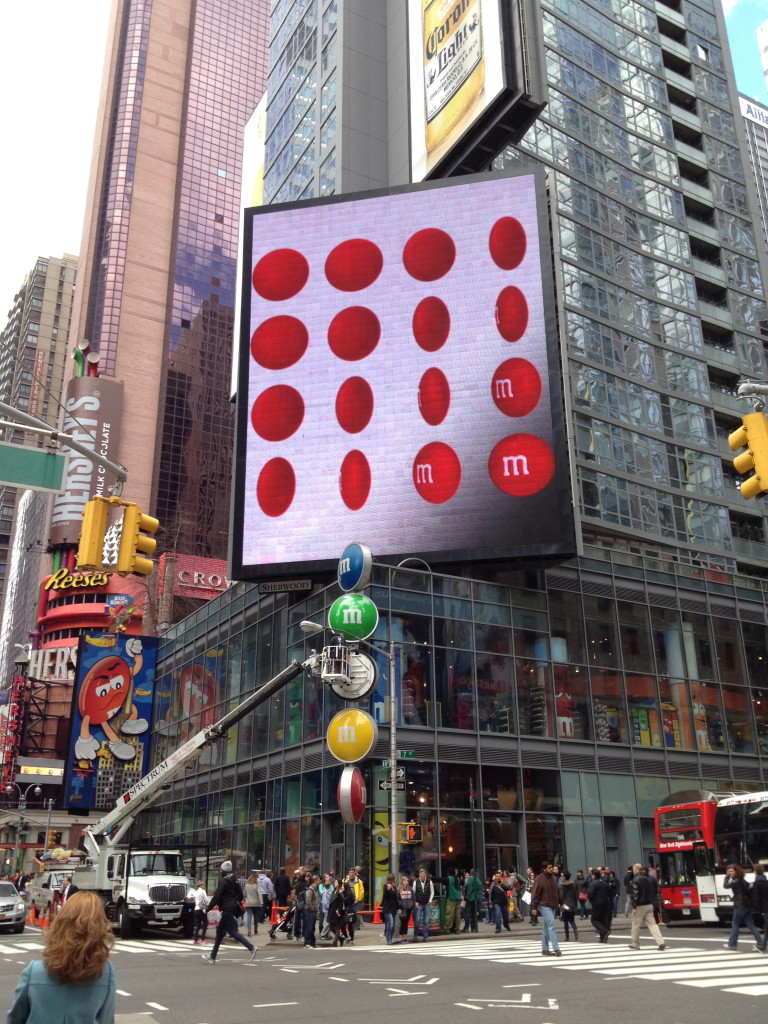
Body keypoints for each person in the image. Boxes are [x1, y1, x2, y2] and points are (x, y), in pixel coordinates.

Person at [6, 890, 115, 1024]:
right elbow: (106, 1019)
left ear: (61, 922)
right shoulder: (104, 972)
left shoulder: (34, 971)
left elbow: (16, 1018)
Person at [201, 860, 257, 964]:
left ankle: (251, 947)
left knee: (232, 931)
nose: (220, 871)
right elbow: (240, 895)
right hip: (232, 907)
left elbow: (217, 896)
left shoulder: (223, 880)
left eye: (220, 870)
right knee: (219, 932)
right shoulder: (234, 880)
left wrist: (207, 909)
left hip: (227, 908)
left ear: (223, 870)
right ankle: (212, 956)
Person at [723, 863, 766, 952]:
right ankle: (761, 943)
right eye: (728, 871)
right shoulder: (742, 880)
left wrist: (726, 876)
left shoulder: (736, 881)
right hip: (747, 905)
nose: (730, 873)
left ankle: (732, 944)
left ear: (736, 871)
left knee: (735, 924)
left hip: (740, 905)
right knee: (751, 925)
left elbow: (725, 885)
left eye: (731, 871)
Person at [627, 864, 665, 952]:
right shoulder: (648, 879)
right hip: (649, 904)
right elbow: (653, 891)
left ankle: (635, 944)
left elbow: (635, 894)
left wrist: (634, 906)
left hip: (640, 905)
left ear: (636, 870)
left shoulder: (636, 879)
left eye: (633, 869)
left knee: (636, 925)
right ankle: (660, 942)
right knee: (652, 924)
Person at [530, 862, 562, 956]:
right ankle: (556, 948)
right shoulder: (539, 879)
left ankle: (545, 949)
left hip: (552, 904)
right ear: (544, 869)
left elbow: (557, 891)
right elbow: (535, 894)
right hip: (544, 904)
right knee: (551, 924)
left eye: (551, 867)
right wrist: (534, 907)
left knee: (547, 927)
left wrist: (561, 902)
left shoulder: (552, 878)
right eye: (549, 868)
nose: (551, 869)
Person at [587, 868, 612, 943]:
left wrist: (592, 901)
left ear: (594, 876)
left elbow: (590, 894)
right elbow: (610, 892)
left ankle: (604, 931)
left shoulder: (593, 883)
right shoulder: (604, 883)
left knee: (594, 919)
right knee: (602, 919)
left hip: (597, 904)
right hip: (605, 903)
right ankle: (602, 938)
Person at [412, 868, 434, 942]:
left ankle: (425, 936)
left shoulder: (429, 881)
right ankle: (415, 935)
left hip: (426, 903)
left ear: (425, 874)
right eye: (421, 874)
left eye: (423, 873)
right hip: (419, 903)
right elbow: (413, 892)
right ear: (419, 874)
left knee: (426, 921)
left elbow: (432, 892)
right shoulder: (416, 881)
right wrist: (415, 902)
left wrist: (430, 900)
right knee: (417, 920)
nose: (422, 875)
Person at [751, 863, 768, 950]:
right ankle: (763, 946)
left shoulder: (757, 883)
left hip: (765, 908)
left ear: (755, 872)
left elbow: (756, 898)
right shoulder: (766, 881)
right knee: (766, 927)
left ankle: (762, 946)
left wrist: (756, 907)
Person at [559, 870, 579, 941]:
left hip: (565, 905)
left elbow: (561, 896)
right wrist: (575, 906)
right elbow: (575, 896)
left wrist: (561, 904)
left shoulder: (562, 886)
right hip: (572, 904)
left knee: (566, 921)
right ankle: (575, 929)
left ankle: (567, 937)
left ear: (564, 876)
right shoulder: (573, 885)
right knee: (572, 920)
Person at [380, 874, 400, 945]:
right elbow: (385, 895)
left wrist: (398, 908)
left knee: (393, 926)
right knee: (390, 924)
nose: (392, 881)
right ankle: (388, 939)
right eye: (391, 879)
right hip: (387, 908)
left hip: (393, 908)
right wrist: (388, 889)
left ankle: (390, 938)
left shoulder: (394, 887)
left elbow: (396, 898)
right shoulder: (385, 886)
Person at [444, 869, 463, 934]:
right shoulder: (458, 879)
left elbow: (440, 879)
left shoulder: (448, 879)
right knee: (458, 915)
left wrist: (432, 877)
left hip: (451, 898)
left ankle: (447, 929)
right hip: (458, 898)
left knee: (449, 914)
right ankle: (457, 929)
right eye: (456, 871)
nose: (457, 872)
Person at [303, 875, 319, 947]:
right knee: (309, 927)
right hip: (309, 911)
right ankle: (307, 943)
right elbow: (308, 900)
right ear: (315, 881)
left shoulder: (315, 889)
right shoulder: (310, 890)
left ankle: (312, 943)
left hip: (313, 910)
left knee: (312, 928)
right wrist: (312, 908)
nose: (319, 881)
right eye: (318, 880)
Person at [463, 868, 481, 932]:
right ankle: (473, 927)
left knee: (467, 913)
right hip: (476, 899)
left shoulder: (467, 879)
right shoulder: (478, 880)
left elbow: (463, 888)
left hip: (470, 898)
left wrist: (465, 896)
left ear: (470, 873)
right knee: (474, 913)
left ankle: (466, 927)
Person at [397, 875, 414, 943]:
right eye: (405, 881)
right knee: (403, 923)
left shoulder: (410, 889)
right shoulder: (399, 890)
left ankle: (405, 937)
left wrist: (411, 905)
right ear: (402, 882)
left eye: (407, 881)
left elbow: (413, 897)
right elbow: (398, 899)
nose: (406, 882)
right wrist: (399, 907)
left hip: (409, 908)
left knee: (406, 923)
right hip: (402, 909)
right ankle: (401, 938)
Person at [192, 880, 209, 945]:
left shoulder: (195, 892)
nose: (204, 886)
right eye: (203, 885)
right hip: (202, 909)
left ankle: (195, 940)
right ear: (201, 885)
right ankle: (202, 939)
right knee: (205, 924)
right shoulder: (203, 891)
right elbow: (206, 900)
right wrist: (206, 904)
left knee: (198, 925)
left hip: (196, 909)